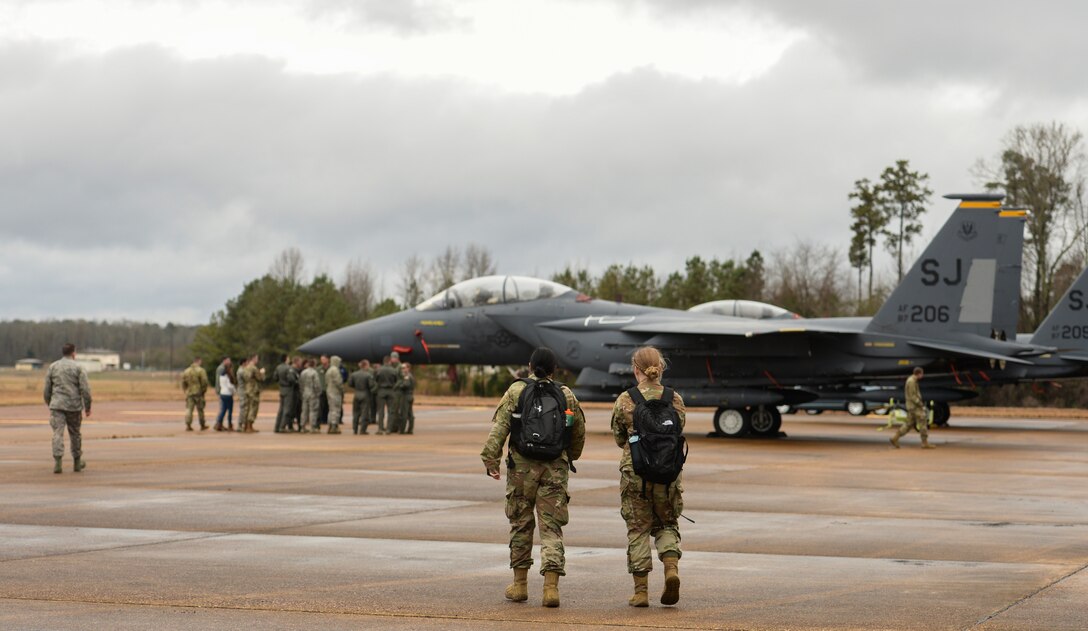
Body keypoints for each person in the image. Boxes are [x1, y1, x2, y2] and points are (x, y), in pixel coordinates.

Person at [480, 347, 586, 608]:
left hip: (521, 469)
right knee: (551, 527)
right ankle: (551, 589)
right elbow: (578, 433)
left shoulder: (516, 390)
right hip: (554, 468)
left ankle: (519, 585)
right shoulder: (566, 394)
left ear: (529, 366)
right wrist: (568, 456)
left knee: (521, 523)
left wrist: (490, 459)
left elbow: (500, 427)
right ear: (555, 370)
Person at [610, 346, 686, 607]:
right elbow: (679, 431)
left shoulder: (625, 399)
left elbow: (620, 437)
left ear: (635, 369)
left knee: (638, 529)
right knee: (666, 524)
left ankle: (641, 592)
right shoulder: (674, 398)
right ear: (660, 369)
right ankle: (671, 569)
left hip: (636, 473)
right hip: (668, 473)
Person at [43, 343, 92, 474]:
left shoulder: (53, 367)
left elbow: (47, 389)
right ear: (73, 353)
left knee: (57, 433)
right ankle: (77, 462)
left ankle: (58, 463)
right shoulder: (78, 367)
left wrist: (50, 403)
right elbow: (85, 389)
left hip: (57, 406)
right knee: (75, 434)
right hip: (74, 406)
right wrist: (87, 407)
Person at [891, 367, 934, 449]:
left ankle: (895, 438)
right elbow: (913, 396)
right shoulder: (911, 381)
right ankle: (924, 443)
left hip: (912, 406)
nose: (923, 375)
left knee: (908, 424)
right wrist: (921, 404)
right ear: (919, 373)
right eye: (922, 373)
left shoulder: (912, 380)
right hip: (915, 407)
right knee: (923, 423)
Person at [181, 357, 210, 431]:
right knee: (200, 409)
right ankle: (202, 424)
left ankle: (188, 424)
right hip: (198, 392)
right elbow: (204, 381)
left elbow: (183, 382)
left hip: (190, 392)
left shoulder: (186, 371)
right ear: (198, 361)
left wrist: (185, 390)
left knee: (189, 409)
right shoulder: (201, 370)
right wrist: (203, 390)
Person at [348, 359, 376, 434]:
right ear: (366, 365)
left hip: (356, 394)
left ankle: (355, 429)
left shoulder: (354, 374)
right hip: (365, 394)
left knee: (356, 413)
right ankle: (363, 430)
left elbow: (350, 384)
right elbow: (371, 386)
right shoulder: (368, 375)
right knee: (364, 413)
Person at [274, 355, 299, 433]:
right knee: (287, 409)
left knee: (281, 409)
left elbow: (275, 377)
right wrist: (296, 382)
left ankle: (277, 427)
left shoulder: (278, 367)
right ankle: (282, 426)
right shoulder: (289, 368)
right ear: (286, 359)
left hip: (281, 389)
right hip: (289, 389)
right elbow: (291, 379)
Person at [374, 355, 398, 435]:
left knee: (381, 411)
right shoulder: (393, 370)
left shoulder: (379, 370)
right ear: (389, 361)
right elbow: (396, 380)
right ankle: (389, 429)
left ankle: (380, 428)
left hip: (381, 390)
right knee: (391, 411)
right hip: (391, 390)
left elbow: (376, 379)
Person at [239, 355, 261, 433]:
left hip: (247, 389)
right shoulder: (254, 368)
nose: (257, 360)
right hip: (253, 390)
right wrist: (262, 373)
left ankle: (245, 426)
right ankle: (249, 426)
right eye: (257, 359)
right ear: (253, 359)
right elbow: (260, 378)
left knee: (247, 408)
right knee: (253, 408)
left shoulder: (245, 368)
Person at [325, 355, 345, 434]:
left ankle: (330, 425)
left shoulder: (329, 370)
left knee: (331, 408)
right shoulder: (335, 370)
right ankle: (334, 426)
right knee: (335, 409)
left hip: (329, 390)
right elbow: (338, 382)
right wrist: (342, 389)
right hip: (335, 392)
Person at [214, 357, 234, 430]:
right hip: (226, 393)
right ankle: (220, 424)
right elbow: (219, 381)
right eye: (228, 360)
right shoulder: (222, 370)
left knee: (224, 409)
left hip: (223, 392)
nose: (230, 361)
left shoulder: (223, 372)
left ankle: (219, 424)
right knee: (226, 409)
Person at [396, 362, 416, 434]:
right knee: (410, 413)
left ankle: (402, 430)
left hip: (406, 396)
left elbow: (406, 385)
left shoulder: (407, 376)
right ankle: (410, 429)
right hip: (410, 395)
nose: (403, 369)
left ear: (408, 368)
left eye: (404, 368)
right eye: (402, 368)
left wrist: (399, 385)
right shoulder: (411, 376)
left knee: (404, 414)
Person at [317, 355, 330, 428]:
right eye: (321, 359)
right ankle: (321, 419)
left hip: (329, 390)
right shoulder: (318, 369)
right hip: (321, 390)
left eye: (324, 359)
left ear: (328, 359)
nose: (323, 361)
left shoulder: (331, 369)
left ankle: (326, 419)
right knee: (321, 406)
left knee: (328, 406)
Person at [236, 357, 248, 431]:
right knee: (243, 408)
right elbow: (247, 378)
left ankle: (243, 424)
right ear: (244, 363)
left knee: (244, 408)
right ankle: (240, 425)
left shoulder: (242, 370)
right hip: (242, 390)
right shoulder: (241, 371)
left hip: (243, 390)